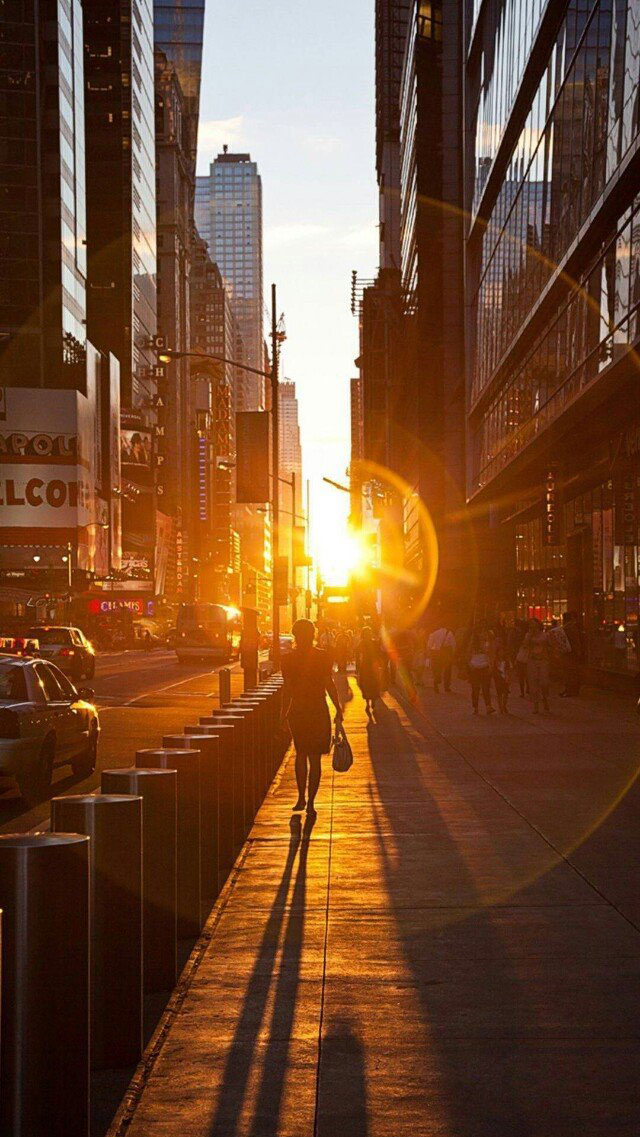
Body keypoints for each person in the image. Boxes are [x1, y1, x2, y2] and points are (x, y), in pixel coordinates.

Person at [281, 619, 343, 817]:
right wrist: (338, 708)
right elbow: (328, 684)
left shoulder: (288, 659)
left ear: (295, 635)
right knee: (315, 758)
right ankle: (311, 802)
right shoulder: (323, 657)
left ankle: (301, 797)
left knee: (301, 753)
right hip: (318, 709)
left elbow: (288, 691)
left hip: (298, 710)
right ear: (313, 634)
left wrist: (283, 714)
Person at [355, 626, 385, 718]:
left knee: (365, 684)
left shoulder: (362, 643)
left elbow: (357, 655)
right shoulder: (374, 643)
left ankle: (367, 703)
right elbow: (379, 654)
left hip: (365, 666)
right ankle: (373, 702)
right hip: (373, 666)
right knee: (374, 684)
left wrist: (358, 666)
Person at [523, 618, 551, 712]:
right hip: (532, 661)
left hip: (543, 660)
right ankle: (536, 705)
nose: (533, 626)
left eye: (534, 624)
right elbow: (525, 646)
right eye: (531, 625)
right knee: (533, 683)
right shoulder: (528, 635)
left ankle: (545, 699)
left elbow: (550, 645)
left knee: (544, 682)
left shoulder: (545, 635)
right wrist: (529, 636)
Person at [466, 628, 496, 715]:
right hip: (475, 668)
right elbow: (468, 655)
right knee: (475, 689)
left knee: (486, 688)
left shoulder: (488, 644)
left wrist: (491, 666)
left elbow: (491, 655)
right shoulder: (472, 644)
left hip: (485, 667)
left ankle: (488, 706)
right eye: (481, 633)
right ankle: (475, 707)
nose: (483, 635)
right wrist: (470, 665)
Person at [560, 611, 583, 696]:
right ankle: (571, 689)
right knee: (571, 672)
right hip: (570, 652)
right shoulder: (572, 627)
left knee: (570, 672)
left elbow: (575, 641)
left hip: (570, 652)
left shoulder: (569, 628)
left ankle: (570, 690)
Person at [427, 623, 456, 693]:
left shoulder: (434, 633)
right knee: (447, 671)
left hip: (436, 653)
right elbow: (453, 644)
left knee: (437, 669)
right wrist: (453, 654)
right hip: (446, 653)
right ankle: (446, 687)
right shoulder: (450, 633)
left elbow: (429, 645)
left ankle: (436, 684)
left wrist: (430, 653)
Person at [493, 638, 511, 713]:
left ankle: (504, 705)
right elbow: (494, 670)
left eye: (503, 651)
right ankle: (500, 707)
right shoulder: (495, 660)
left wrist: (508, 677)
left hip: (505, 677)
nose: (501, 653)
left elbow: (509, 669)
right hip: (498, 678)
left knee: (506, 693)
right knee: (499, 693)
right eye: (500, 652)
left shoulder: (507, 660)